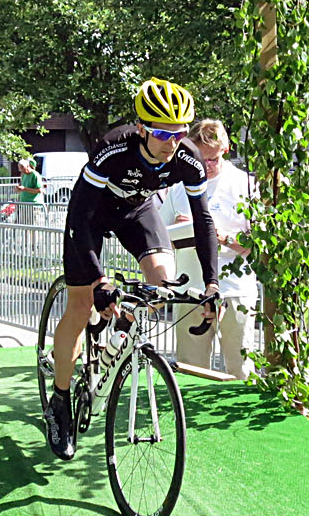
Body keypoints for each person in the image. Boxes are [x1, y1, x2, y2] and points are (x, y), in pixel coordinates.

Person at [46, 77, 220, 459]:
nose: (172, 143)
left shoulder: (188, 158)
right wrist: (99, 281)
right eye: (162, 133)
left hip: (137, 212)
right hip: (90, 217)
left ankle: (119, 331)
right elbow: (79, 216)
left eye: (179, 133)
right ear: (142, 128)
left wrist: (212, 283)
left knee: (163, 284)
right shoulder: (114, 147)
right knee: (81, 305)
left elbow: (203, 221)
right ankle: (59, 401)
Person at [165, 119, 257, 378]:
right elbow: (159, 238)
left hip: (234, 290)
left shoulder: (245, 185)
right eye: (200, 158)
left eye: (213, 159)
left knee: (241, 370)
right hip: (190, 290)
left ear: (225, 150)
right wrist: (179, 230)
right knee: (190, 370)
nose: (206, 165)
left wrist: (223, 238)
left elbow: (259, 242)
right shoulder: (178, 186)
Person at [15, 156, 43, 223]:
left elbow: (39, 190)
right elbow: (21, 185)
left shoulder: (35, 175)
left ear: (27, 166)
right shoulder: (23, 175)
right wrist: (18, 189)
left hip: (33, 205)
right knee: (25, 226)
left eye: (23, 168)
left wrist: (25, 189)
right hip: (24, 204)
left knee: (33, 226)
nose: (21, 171)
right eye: (20, 169)